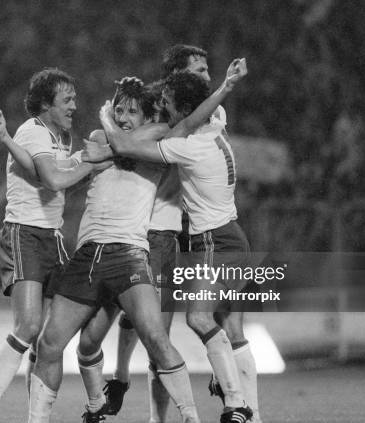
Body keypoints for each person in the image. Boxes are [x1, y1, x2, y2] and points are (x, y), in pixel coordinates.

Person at [28, 77, 203, 423]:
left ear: (147, 118)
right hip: (88, 256)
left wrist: (111, 137)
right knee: (49, 345)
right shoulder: (101, 138)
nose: (122, 116)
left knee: (156, 339)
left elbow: (128, 143)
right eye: (117, 109)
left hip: (128, 255)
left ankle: (191, 418)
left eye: (131, 112)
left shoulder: (157, 143)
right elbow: (100, 148)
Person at [96, 65, 254, 423]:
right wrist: (226, 86)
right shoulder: (214, 122)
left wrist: (106, 116)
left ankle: (236, 402)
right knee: (194, 321)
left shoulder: (188, 147)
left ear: (183, 109)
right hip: (219, 237)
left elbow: (123, 145)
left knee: (198, 318)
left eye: (167, 101)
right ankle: (236, 404)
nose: (162, 105)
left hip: (215, 240)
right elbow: (193, 114)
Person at [0, 68, 112, 423]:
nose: (74, 106)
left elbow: (57, 171)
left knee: (52, 337)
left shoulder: (61, 136)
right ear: (46, 104)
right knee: (30, 326)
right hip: (25, 234)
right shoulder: (32, 131)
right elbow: (52, 180)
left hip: (53, 237)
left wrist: (92, 159)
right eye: (67, 100)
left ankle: (44, 417)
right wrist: (89, 166)